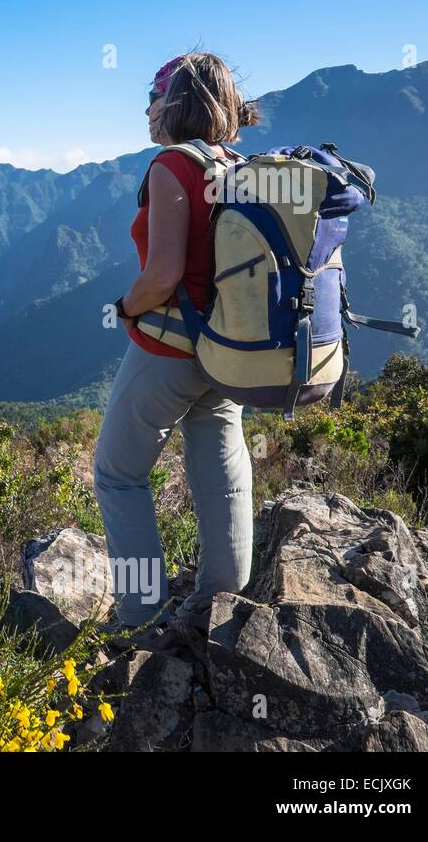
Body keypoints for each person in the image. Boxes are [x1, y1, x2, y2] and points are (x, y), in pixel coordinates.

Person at [96, 52, 261, 644]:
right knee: (222, 470)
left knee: (118, 474)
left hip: (169, 353)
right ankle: (221, 609)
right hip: (231, 351)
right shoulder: (239, 165)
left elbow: (162, 275)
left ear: (177, 104)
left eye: (155, 97)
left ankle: (142, 622)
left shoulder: (174, 164)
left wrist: (126, 308)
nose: (146, 109)